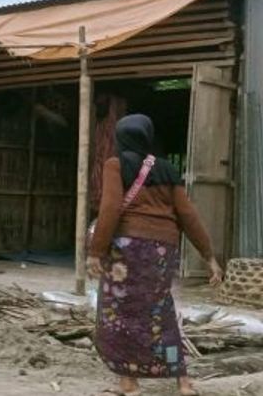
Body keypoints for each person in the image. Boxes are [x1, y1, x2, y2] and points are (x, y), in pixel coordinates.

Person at [88, 114, 223, 396]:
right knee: (161, 311)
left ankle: (129, 382)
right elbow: (188, 215)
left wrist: (96, 252)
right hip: (162, 250)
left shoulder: (115, 164)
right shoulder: (166, 169)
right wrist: (209, 256)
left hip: (126, 250)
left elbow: (110, 209)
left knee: (116, 314)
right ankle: (183, 382)